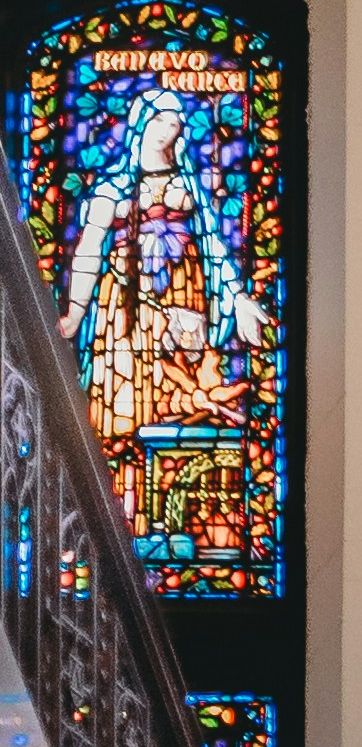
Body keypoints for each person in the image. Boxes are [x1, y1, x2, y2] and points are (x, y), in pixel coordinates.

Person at [58, 80, 270, 529]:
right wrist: (75, 313)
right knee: (123, 411)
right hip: (126, 312)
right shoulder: (111, 188)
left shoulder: (190, 185)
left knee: (176, 408)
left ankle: (168, 521)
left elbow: (215, 246)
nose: (165, 130)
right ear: (139, 122)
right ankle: (113, 518)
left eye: (173, 122)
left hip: (183, 302)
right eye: (157, 119)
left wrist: (237, 298)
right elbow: (88, 253)